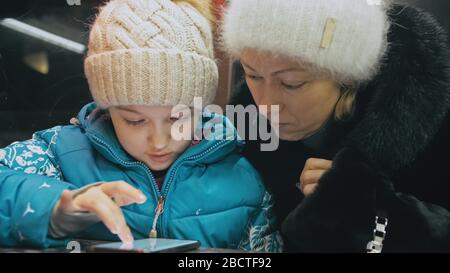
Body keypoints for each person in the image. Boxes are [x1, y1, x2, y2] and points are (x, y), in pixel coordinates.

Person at [0, 0, 283, 252]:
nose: (159, 141)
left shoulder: (241, 179)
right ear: (109, 111)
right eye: (135, 120)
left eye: (177, 118)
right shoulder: (60, 155)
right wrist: (52, 209)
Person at [222, 0, 450, 252]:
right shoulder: (239, 141)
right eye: (252, 75)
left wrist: (368, 212)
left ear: (346, 77)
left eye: (291, 83)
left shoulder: (432, 128)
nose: (266, 105)